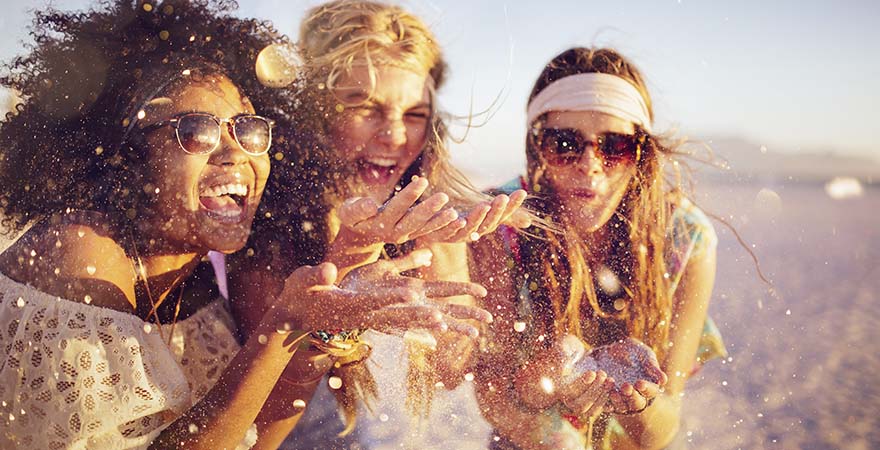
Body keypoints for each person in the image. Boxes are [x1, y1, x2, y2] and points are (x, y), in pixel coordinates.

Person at [0, 1, 487, 449]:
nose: (235, 152)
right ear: (125, 150)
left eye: (250, 129)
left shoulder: (190, 276)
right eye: (196, 130)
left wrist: (327, 310)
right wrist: (288, 322)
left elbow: (248, 438)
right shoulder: (79, 251)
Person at [227, 1, 530, 448]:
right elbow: (261, 417)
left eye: (415, 115)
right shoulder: (267, 237)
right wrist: (350, 262)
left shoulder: (441, 220)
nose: (394, 136)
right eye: (366, 108)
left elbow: (451, 372)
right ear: (315, 112)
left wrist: (441, 245)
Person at [470, 47, 728, 449]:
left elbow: (661, 430)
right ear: (537, 148)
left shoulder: (685, 238)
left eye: (614, 146)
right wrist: (539, 386)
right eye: (564, 143)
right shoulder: (500, 224)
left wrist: (638, 402)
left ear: (640, 154)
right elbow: (494, 399)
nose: (589, 163)